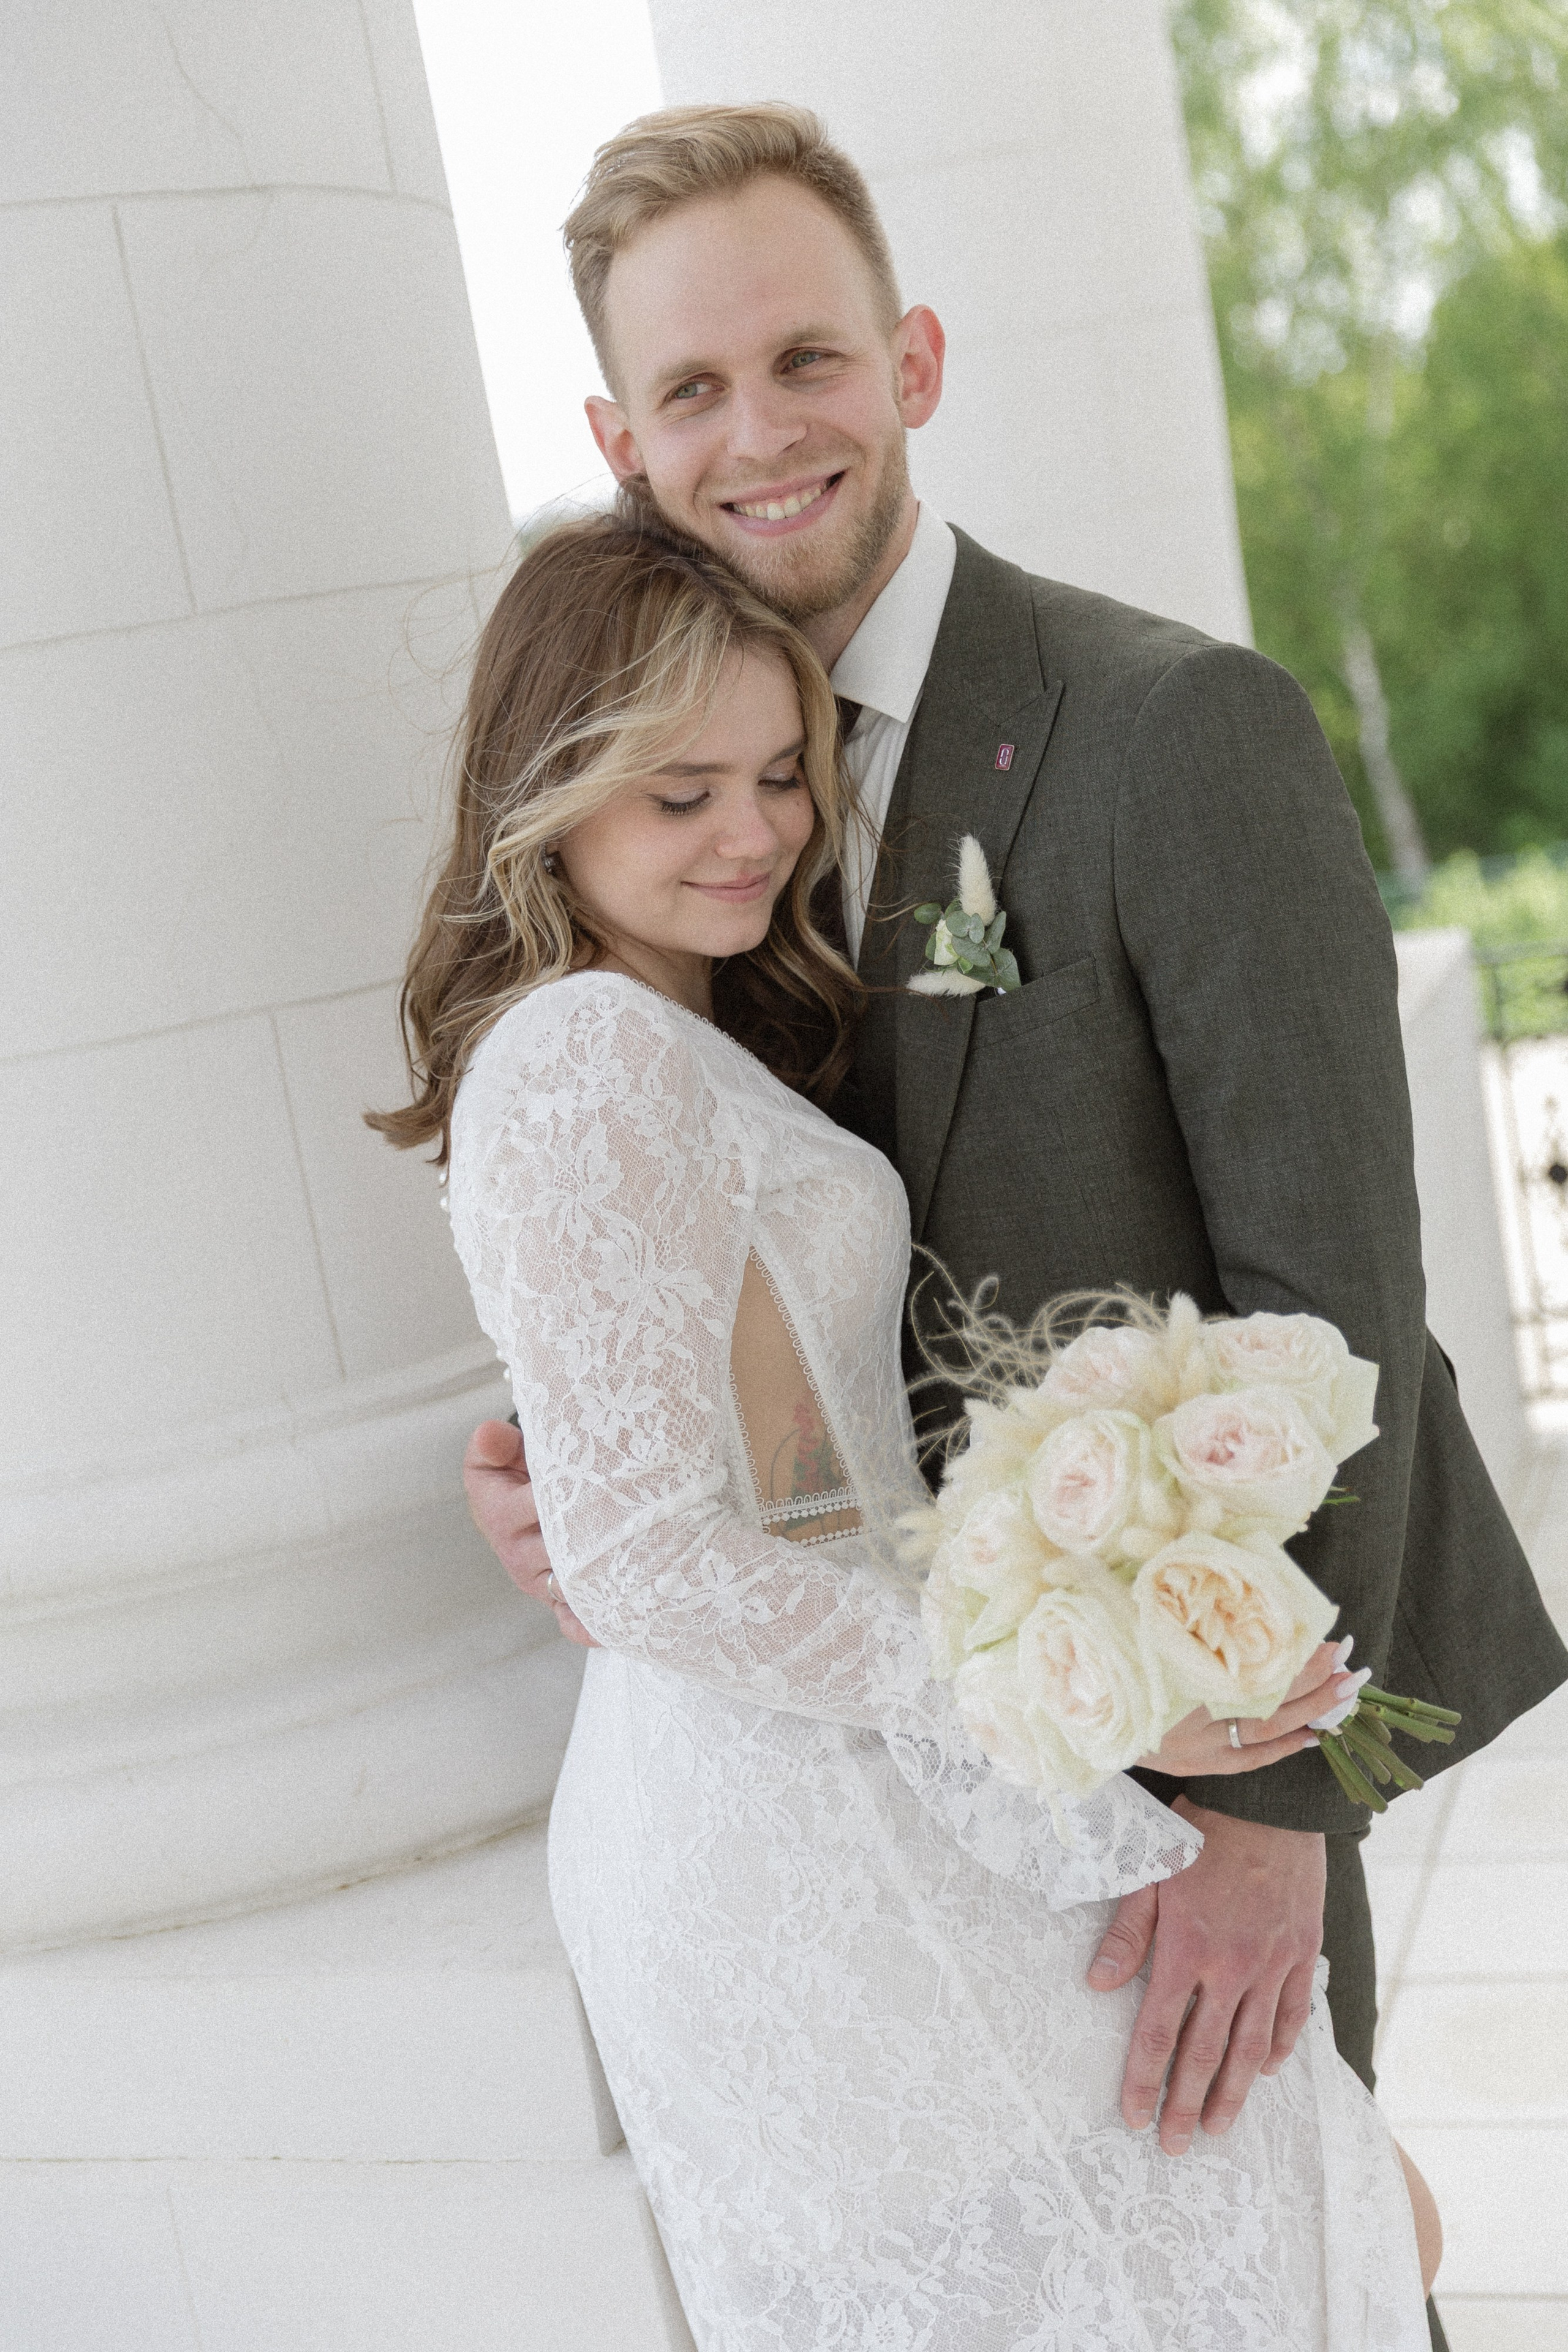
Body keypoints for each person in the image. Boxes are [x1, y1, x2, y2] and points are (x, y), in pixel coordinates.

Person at [457, 103, 1565, 2340]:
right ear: (618, 434)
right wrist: (567, 1460)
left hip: (1193, 1781)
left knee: (1309, 2285)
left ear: (917, 363)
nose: (760, 433)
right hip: (880, 1848)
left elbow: (1342, 1299)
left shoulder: (1175, 733)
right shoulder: (690, 849)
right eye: (691, 389)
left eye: (808, 360)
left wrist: (1287, 1816)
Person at [375, 506, 1436, 2345]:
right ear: (551, 797)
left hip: (874, 1760)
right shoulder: (585, 1057)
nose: (756, 833)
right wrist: (1079, 1695)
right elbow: (650, 1559)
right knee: (1292, 2226)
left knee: (1314, 2223)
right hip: (805, 1825)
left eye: (779, 774)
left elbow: (748, 1467)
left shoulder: (664, 1035)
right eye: (677, 793)